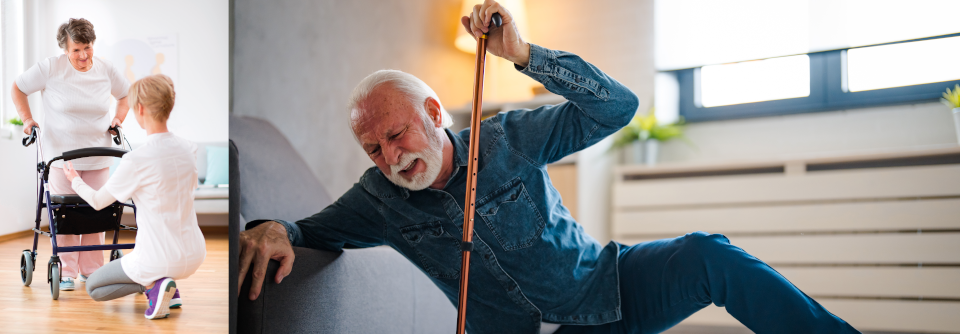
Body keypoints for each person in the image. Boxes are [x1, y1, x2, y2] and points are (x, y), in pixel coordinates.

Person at [237, 1, 861, 333]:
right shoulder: (378, 197)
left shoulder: (507, 136)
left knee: (710, 255)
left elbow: (618, 106)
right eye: (373, 149)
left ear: (432, 111)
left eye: (397, 135)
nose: (392, 158)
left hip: (608, 290)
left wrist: (525, 54)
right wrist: (276, 228)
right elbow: (308, 229)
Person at [63, 74, 206, 320]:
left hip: (156, 258)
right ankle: (169, 288)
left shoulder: (137, 160)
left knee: (93, 287)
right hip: (194, 252)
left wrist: (74, 179)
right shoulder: (190, 149)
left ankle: (155, 285)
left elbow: (98, 202)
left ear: (139, 109)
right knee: (148, 265)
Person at [12, 18, 130, 291]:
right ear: (65, 48)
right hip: (61, 158)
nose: (83, 55)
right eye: (76, 49)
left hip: (98, 155)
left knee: (96, 211)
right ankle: (65, 271)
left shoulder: (105, 69)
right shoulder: (51, 68)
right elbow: (17, 88)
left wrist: (118, 119)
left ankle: (93, 270)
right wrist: (27, 120)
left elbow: (125, 95)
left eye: (87, 47)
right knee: (65, 215)